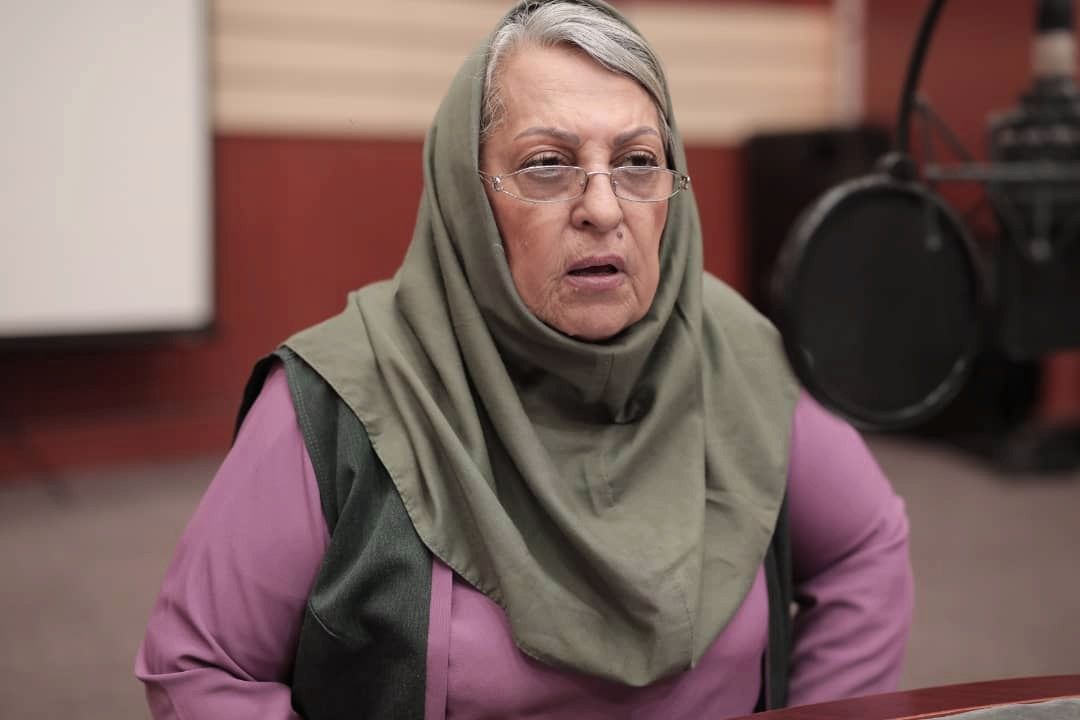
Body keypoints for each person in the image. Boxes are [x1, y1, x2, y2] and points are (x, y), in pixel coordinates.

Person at [135, 1, 913, 718]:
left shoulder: (732, 351)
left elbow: (864, 546)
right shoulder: (344, 394)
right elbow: (199, 666)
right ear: (468, 194)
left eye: (638, 162)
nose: (603, 208)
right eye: (547, 164)